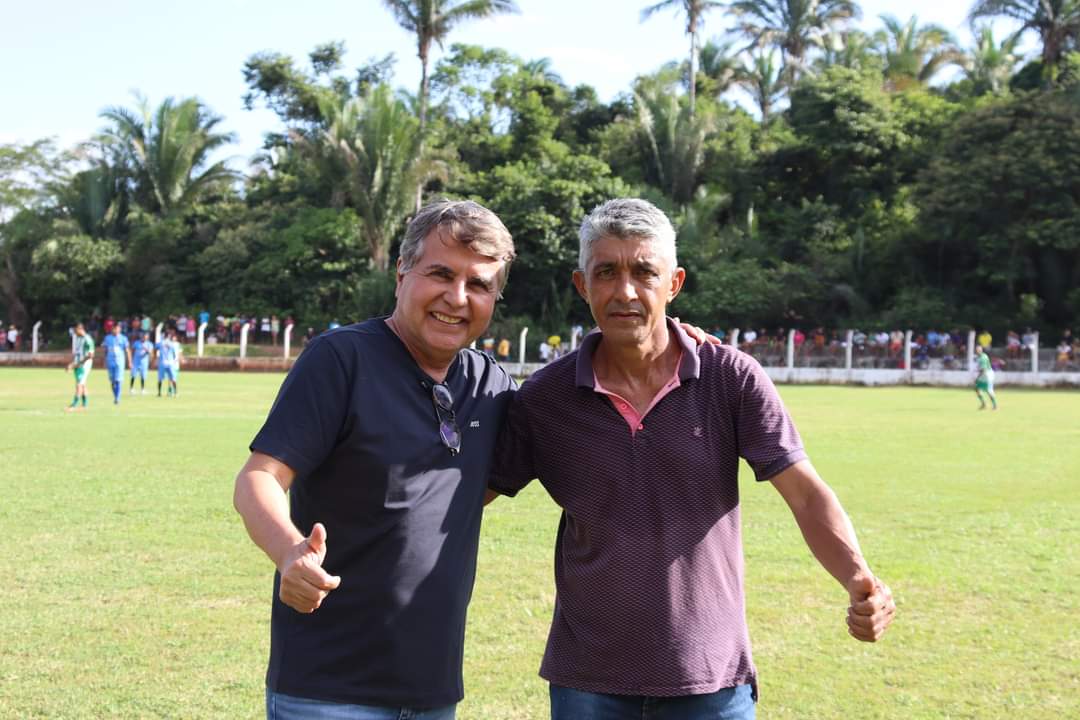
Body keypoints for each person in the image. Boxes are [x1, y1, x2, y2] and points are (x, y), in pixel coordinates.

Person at [487, 199, 896, 720]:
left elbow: (805, 495)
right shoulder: (545, 398)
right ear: (582, 285)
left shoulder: (730, 378)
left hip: (710, 678)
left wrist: (859, 579)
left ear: (674, 283)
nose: (625, 291)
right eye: (606, 272)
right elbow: (461, 500)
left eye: (644, 272)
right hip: (587, 682)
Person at [232, 200, 518, 720]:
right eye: (441, 274)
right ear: (402, 273)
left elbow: (480, 482)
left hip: (431, 692)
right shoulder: (341, 359)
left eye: (478, 284)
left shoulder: (491, 385)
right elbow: (259, 477)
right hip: (328, 691)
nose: (457, 298)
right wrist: (290, 553)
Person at [65, 323, 95, 411]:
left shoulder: (88, 339)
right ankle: (84, 405)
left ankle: (73, 405)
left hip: (84, 365)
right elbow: (78, 354)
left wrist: (80, 363)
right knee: (83, 384)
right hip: (78, 364)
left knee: (79, 384)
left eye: (75, 331)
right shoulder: (78, 339)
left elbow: (91, 355)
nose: (74, 333)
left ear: (79, 329)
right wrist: (72, 364)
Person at [102, 323, 132, 405]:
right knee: (112, 381)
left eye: (117, 328)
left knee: (118, 380)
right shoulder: (107, 338)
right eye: (114, 328)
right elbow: (105, 350)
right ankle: (115, 395)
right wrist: (104, 361)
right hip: (110, 361)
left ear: (120, 329)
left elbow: (127, 350)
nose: (115, 330)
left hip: (120, 362)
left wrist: (130, 362)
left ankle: (117, 398)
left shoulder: (123, 338)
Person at [156, 330, 182, 397]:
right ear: (169, 336)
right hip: (170, 363)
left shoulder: (161, 343)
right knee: (173, 378)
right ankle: (176, 393)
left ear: (164, 335)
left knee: (160, 379)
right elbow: (174, 354)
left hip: (162, 363)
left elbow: (155, 347)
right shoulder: (172, 344)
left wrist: (156, 358)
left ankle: (159, 393)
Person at [974, 344, 998, 410]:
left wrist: (977, 378)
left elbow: (983, 370)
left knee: (988, 390)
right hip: (984, 374)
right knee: (977, 389)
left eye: (978, 350)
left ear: (981, 350)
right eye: (976, 350)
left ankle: (995, 406)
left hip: (987, 375)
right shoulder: (980, 356)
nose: (977, 351)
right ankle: (984, 404)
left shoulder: (983, 358)